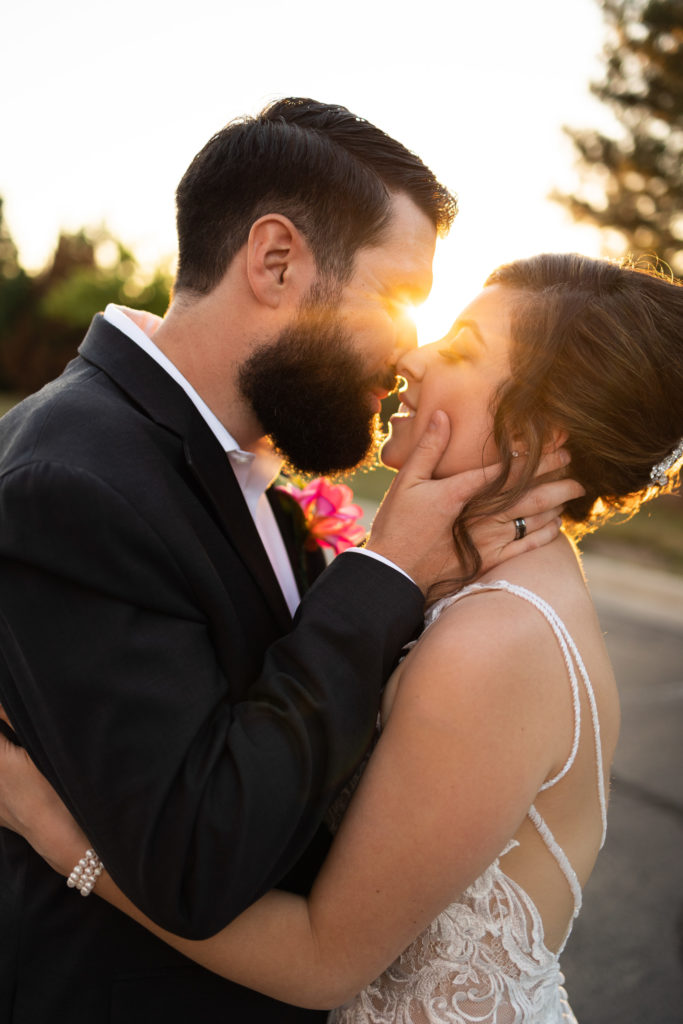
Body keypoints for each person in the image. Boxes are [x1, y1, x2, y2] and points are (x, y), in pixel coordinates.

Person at [0, 99, 572, 1024]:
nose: (411, 348)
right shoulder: (75, 480)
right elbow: (198, 862)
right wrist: (383, 575)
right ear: (275, 262)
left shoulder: (224, 454)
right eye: (398, 298)